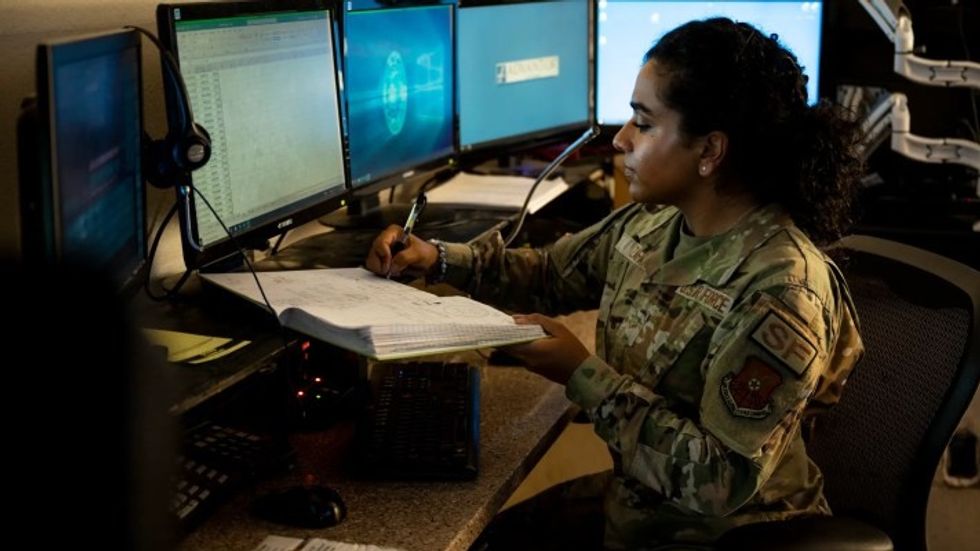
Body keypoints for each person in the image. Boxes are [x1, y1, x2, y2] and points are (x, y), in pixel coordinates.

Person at [366, 17, 865, 549]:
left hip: (725, 537)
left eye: (644, 123)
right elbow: (550, 273)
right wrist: (437, 259)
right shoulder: (656, 222)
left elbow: (720, 481)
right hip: (640, 508)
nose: (621, 139)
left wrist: (581, 374)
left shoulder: (781, 290)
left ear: (710, 151)